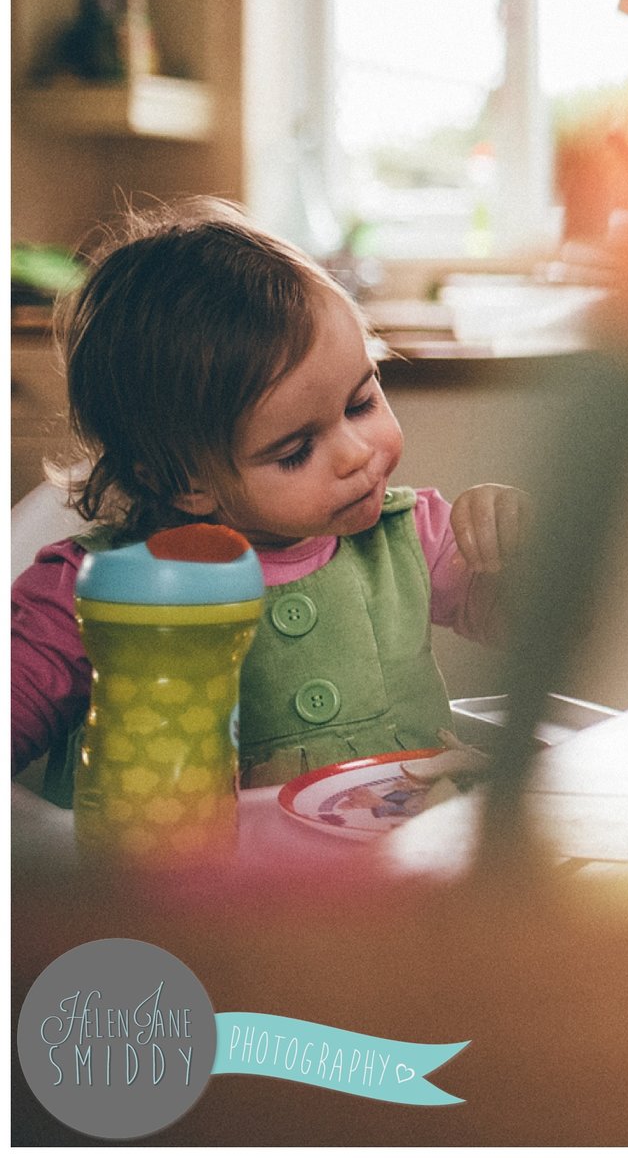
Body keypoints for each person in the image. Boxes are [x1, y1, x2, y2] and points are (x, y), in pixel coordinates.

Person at [11, 200, 528, 789]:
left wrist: (519, 551)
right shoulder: (94, 589)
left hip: (398, 869)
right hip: (214, 882)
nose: (357, 452)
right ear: (181, 481)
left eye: (361, 403)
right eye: (295, 452)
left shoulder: (413, 535)